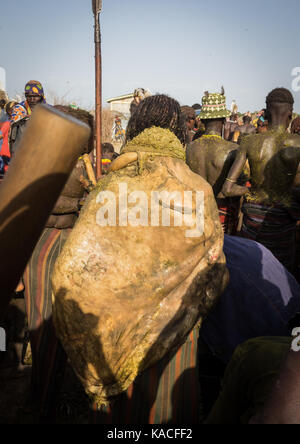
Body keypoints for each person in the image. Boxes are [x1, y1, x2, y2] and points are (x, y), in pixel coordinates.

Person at [23, 105, 94, 422]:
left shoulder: (83, 167)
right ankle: (43, 396)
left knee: (53, 321)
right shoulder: (71, 166)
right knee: (43, 321)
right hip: (45, 243)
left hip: (60, 244)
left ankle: (47, 393)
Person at [222, 88, 300, 273]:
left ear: (264, 113)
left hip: (252, 224)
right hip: (283, 227)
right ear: (290, 113)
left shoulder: (250, 142)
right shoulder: (297, 144)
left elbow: (228, 188)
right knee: (282, 277)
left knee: (251, 273)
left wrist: (256, 192)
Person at [186, 90, 241, 234]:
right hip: (221, 216)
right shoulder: (233, 150)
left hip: (195, 213)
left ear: (202, 121)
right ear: (224, 120)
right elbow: (236, 191)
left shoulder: (189, 148)